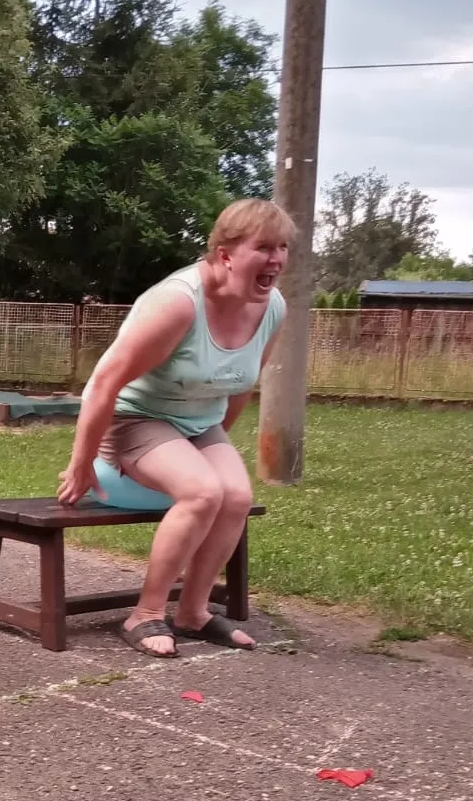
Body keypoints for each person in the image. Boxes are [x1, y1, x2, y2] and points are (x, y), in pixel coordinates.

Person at [56, 197, 295, 658]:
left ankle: (192, 613)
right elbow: (104, 383)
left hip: (198, 422)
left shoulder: (273, 308)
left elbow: (242, 383)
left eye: (282, 247)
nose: (277, 259)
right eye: (264, 247)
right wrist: (81, 462)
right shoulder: (178, 303)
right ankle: (145, 614)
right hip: (133, 417)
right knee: (202, 492)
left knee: (236, 496)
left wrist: (213, 445)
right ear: (225, 255)